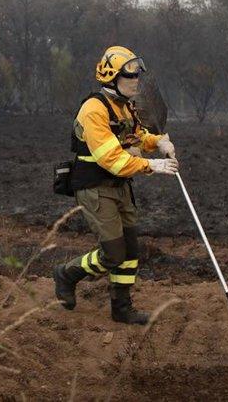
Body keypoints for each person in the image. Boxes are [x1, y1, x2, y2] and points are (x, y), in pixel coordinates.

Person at [53, 45, 179, 324]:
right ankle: (67, 273)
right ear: (112, 78)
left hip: (121, 187)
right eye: (130, 77)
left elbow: (135, 137)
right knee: (113, 253)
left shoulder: (125, 107)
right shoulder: (93, 109)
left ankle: (122, 308)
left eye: (137, 77)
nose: (136, 82)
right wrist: (152, 165)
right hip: (95, 188)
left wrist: (157, 141)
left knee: (131, 250)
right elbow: (111, 158)